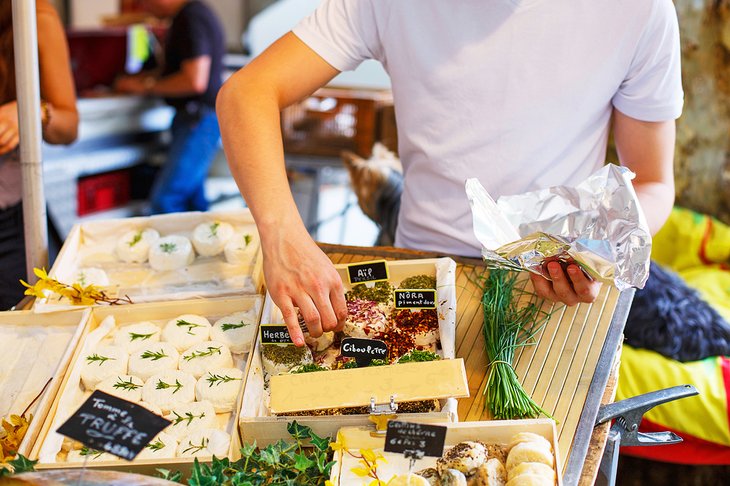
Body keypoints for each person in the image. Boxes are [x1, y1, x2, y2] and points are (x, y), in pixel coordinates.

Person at [216, 0, 682, 345]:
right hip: (418, 274)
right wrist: (283, 235)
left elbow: (653, 181)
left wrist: (598, 249)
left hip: (554, 293)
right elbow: (247, 93)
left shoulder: (638, 10)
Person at [0, 0, 79, 310]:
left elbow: (69, 125)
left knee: (26, 333)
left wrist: (32, 110)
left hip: (10, 226)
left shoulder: (33, 17)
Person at [116, 0, 224, 214]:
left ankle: (167, 247)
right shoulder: (191, 15)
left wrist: (147, 87)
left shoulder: (191, 16)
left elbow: (194, 80)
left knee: (166, 200)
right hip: (197, 119)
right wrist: (143, 79)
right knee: (193, 202)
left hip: (198, 119)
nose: (146, 7)